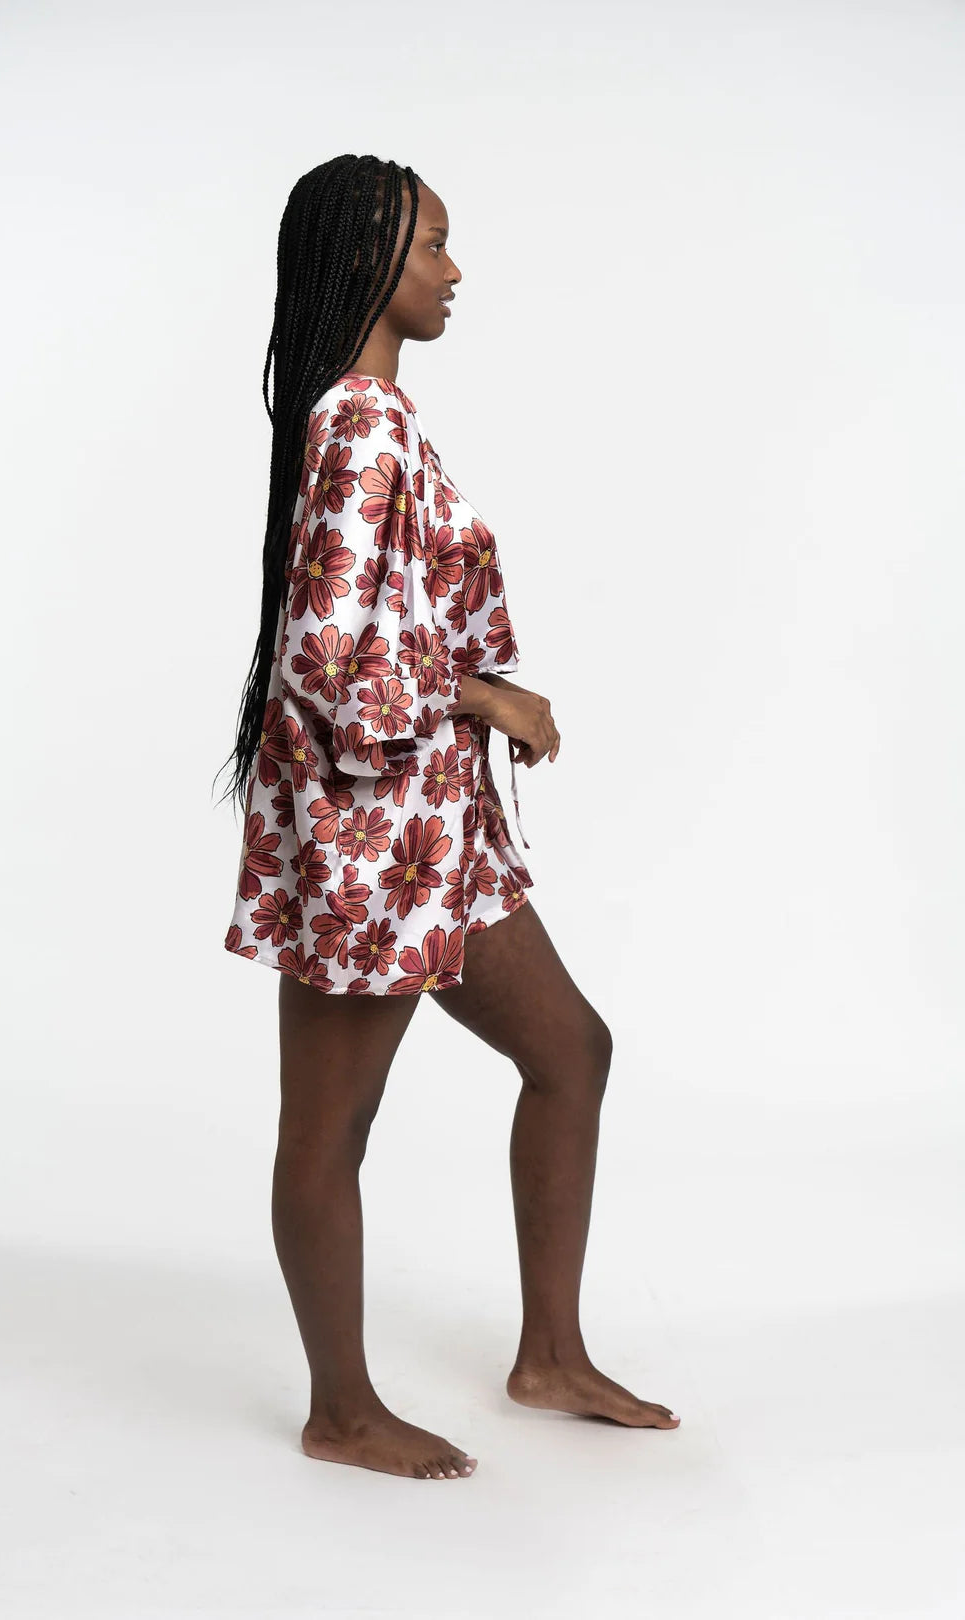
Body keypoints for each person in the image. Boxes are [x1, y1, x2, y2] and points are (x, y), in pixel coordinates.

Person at [215, 154, 679, 1481]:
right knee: (329, 1134)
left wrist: (471, 713)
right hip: (372, 845)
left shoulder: (376, 418)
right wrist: (489, 694)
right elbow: (323, 657)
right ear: (371, 263)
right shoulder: (358, 426)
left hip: (434, 830)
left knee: (571, 1050)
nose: (454, 270)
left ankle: (550, 1355)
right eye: (432, 245)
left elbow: (358, 630)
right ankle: (342, 1412)